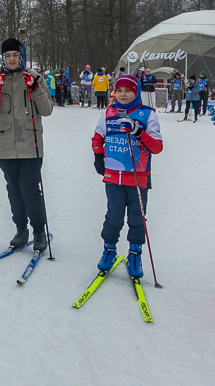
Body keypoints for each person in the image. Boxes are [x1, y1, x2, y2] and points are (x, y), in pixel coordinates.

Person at [0, 38, 53, 253]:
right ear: (3, 58)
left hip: (31, 144)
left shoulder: (35, 78)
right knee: (14, 190)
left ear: (22, 57)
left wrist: (36, 88)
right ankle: (21, 230)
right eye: (8, 56)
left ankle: (39, 231)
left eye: (15, 55)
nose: (12, 59)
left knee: (30, 189)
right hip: (5, 145)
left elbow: (47, 109)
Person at [91, 74, 162, 279]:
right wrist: (98, 156)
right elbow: (98, 137)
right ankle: (109, 250)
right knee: (114, 215)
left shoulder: (147, 114)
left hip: (138, 177)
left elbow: (157, 147)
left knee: (137, 217)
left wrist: (138, 132)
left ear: (136, 92)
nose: (123, 94)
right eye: (119, 91)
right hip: (113, 175)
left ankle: (135, 254)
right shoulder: (109, 112)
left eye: (128, 91)